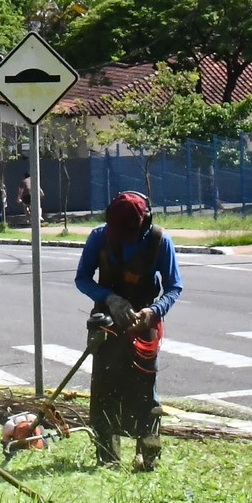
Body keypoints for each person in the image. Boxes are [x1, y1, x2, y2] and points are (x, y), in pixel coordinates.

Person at [74, 191, 182, 470]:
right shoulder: (99, 237)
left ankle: (148, 458)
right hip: (106, 324)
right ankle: (107, 458)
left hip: (143, 327)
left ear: (144, 224)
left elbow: (174, 287)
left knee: (146, 394)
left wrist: (154, 311)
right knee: (104, 390)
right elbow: (82, 278)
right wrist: (109, 297)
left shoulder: (159, 241)